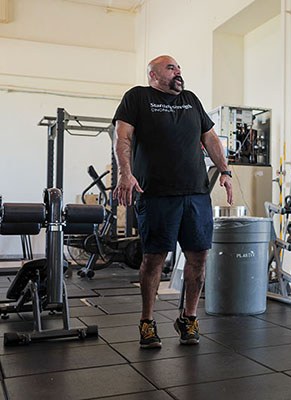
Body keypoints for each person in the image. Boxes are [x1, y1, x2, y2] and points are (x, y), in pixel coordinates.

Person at [112, 55, 233, 349]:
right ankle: (147, 322)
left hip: (195, 193)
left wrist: (226, 171)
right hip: (156, 193)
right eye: (171, 68)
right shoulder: (137, 97)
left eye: (179, 67)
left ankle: (188, 318)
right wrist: (125, 174)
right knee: (154, 259)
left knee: (199, 257)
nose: (178, 71)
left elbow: (211, 139)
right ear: (153, 75)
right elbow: (123, 138)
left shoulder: (191, 100)